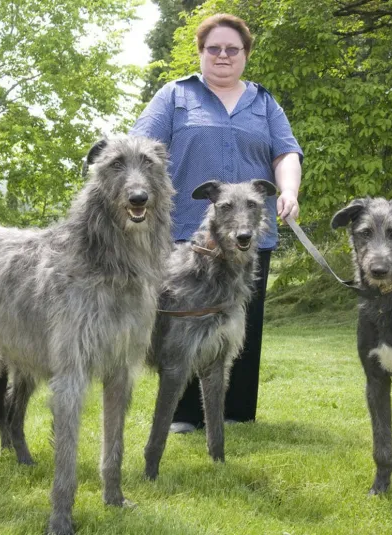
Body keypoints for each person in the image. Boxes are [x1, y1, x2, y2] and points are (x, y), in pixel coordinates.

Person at [130, 13, 303, 433]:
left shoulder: (264, 103)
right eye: (214, 48)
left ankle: (236, 414)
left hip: (247, 236)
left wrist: (288, 191)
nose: (223, 55)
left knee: (239, 322)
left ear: (245, 54)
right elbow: (141, 147)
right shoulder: (175, 96)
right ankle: (186, 415)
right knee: (186, 320)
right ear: (201, 53)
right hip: (186, 237)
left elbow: (286, 152)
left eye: (232, 49)